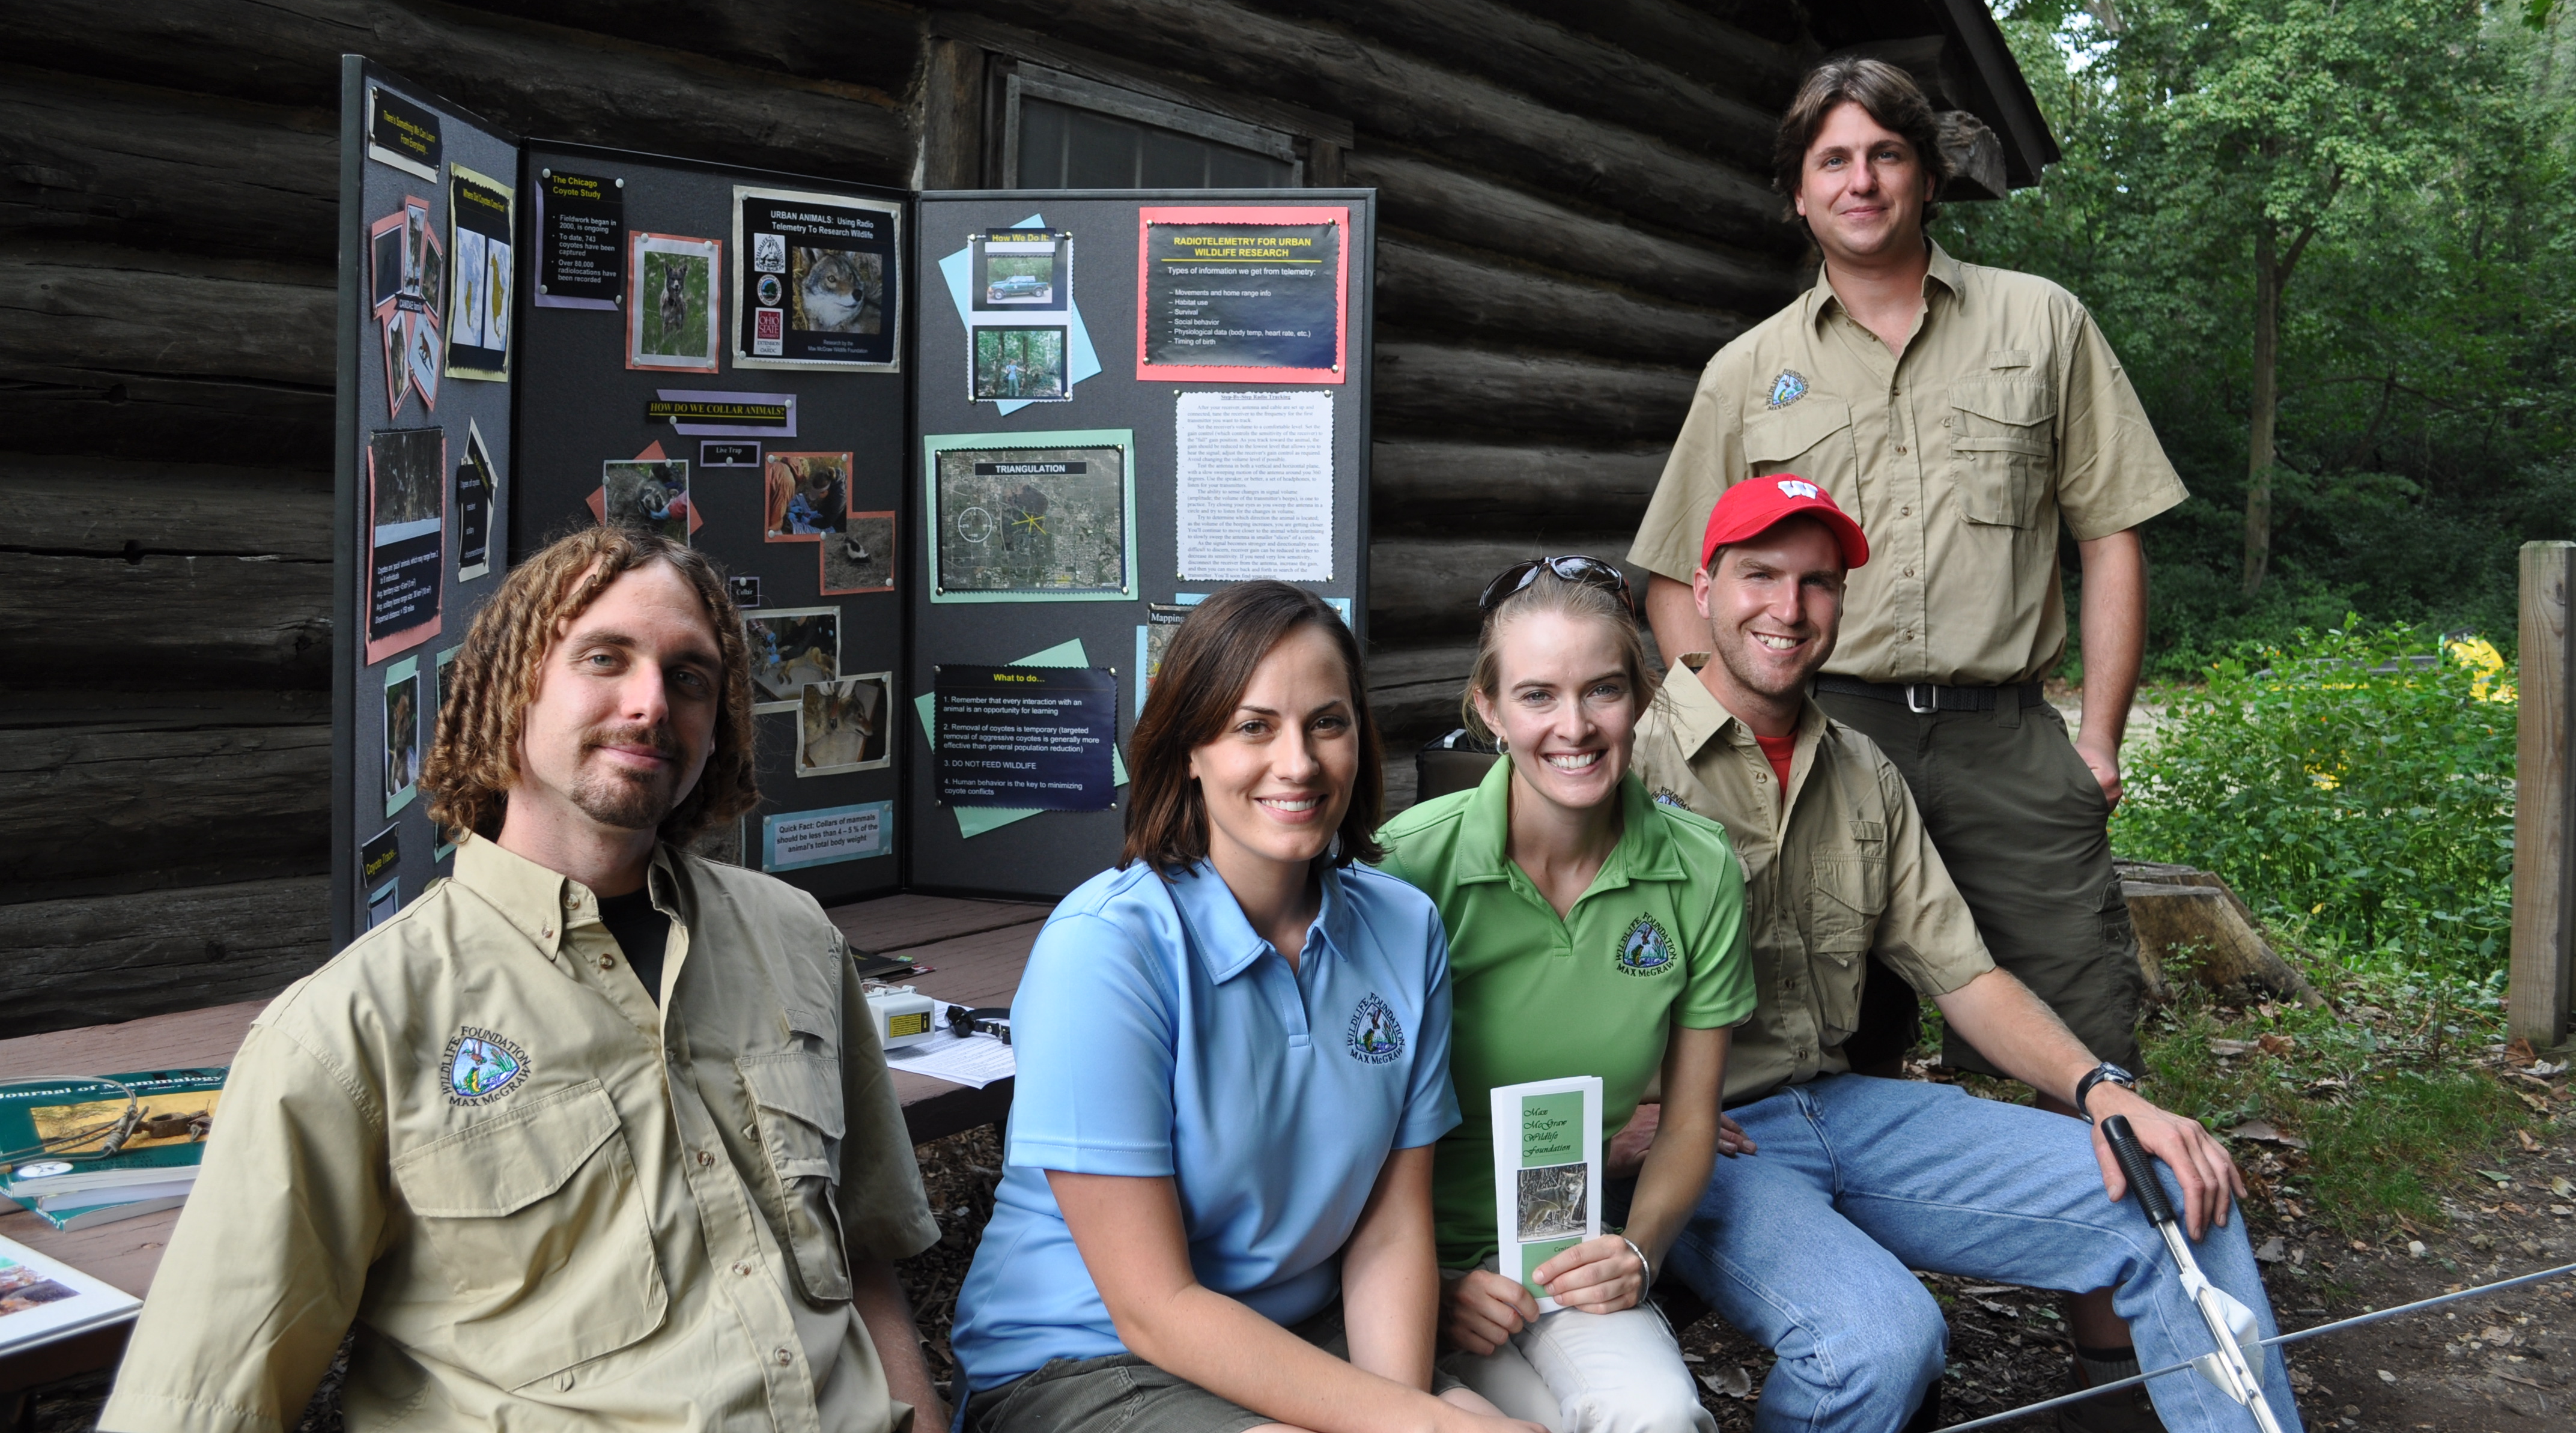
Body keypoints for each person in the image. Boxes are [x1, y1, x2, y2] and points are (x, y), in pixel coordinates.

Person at [101, 525, 946, 1433]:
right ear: (512, 688)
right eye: (605, 658)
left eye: (689, 676)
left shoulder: (795, 939)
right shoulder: (349, 1032)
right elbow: (195, 1404)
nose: (650, 703)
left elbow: (860, 1253)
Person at [1624, 477, 2299, 1433]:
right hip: (1709, 1142)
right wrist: (1611, 1124)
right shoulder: (1627, 762)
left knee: (2175, 1192)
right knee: (1880, 1342)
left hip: (1845, 1108)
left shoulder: (1863, 772)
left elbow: (1967, 977)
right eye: (1759, 576)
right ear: (1702, 587)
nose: (1788, 608)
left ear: (1842, 604)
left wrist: (2107, 1093)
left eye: (1817, 583)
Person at [1630, 55, 2181, 1095]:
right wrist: (1736, 736)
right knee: (1824, 1035)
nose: (1861, 181)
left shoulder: (2040, 323)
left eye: (1886, 155)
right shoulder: (1746, 372)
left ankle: (2093, 1232)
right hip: (1826, 736)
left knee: (2075, 1021)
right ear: (1799, 192)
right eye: (1833, 160)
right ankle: (1865, 1241)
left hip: (2005, 742)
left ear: (1929, 176)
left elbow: (2111, 533)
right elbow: (1672, 573)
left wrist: (2098, 741)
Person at [949, 582, 1542, 1433]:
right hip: (1089, 1359)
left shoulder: (1404, 927)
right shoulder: (1106, 948)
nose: (1297, 763)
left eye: (1326, 724)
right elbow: (1154, 1307)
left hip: (1304, 1328)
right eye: (1252, 726)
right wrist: (1425, 1426)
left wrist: (1406, 1410)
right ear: (1189, 748)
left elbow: (1388, 1229)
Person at [1377, 560, 1756, 1433]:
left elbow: (1691, 1117)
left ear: (1643, 698)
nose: (1575, 726)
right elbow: (1340, 1117)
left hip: (1563, 1252)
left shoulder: (1698, 871)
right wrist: (1428, 1285)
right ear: (1489, 709)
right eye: (1539, 695)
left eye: (1604, 691)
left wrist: (1637, 1250)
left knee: (1657, 1419)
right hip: (1396, 1268)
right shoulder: (1406, 871)